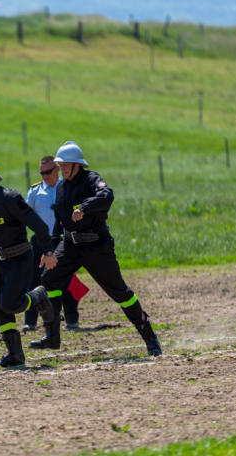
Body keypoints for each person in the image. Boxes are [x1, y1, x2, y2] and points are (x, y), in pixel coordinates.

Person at [30, 142, 162, 357]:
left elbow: (107, 195)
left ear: (77, 164)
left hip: (96, 245)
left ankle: (149, 336)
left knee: (120, 292)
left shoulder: (91, 179)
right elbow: (58, 222)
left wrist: (84, 207)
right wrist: (50, 250)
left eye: (65, 165)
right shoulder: (61, 187)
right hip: (70, 244)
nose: (61, 169)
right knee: (49, 278)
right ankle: (52, 335)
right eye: (59, 165)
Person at [0, 154, 59, 368]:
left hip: (19, 258)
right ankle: (15, 354)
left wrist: (48, 251)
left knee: (10, 304)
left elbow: (39, 226)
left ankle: (38, 297)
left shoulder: (9, 198)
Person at [24, 156, 81, 331]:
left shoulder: (67, 188)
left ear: (57, 169)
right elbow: (25, 216)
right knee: (34, 280)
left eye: (48, 172)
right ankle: (30, 321)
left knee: (67, 279)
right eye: (42, 173)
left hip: (63, 241)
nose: (45, 176)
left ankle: (71, 319)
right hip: (41, 242)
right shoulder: (34, 191)